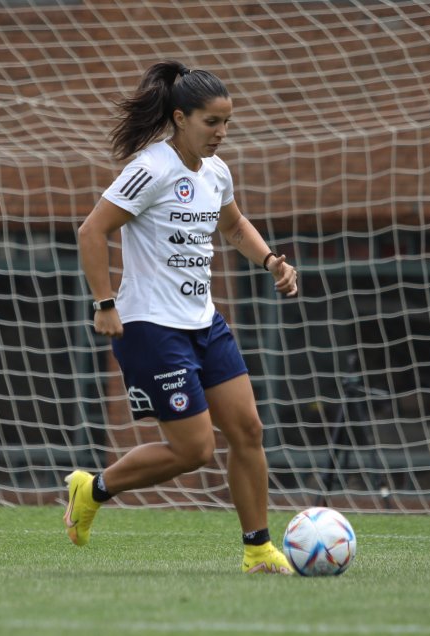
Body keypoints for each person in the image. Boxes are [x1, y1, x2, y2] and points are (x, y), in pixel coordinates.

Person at [71, 60, 299, 574]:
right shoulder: (151, 169)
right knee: (194, 450)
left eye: (227, 123)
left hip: (204, 321)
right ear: (180, 117)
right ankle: (94, 489)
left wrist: (270, 261)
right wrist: (104, 302)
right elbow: (91, 232)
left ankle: (258, 549)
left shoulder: (216, 172)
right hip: (151, 326)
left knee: (248, 430)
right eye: (211, 123)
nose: (221, 133)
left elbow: (235, 226)